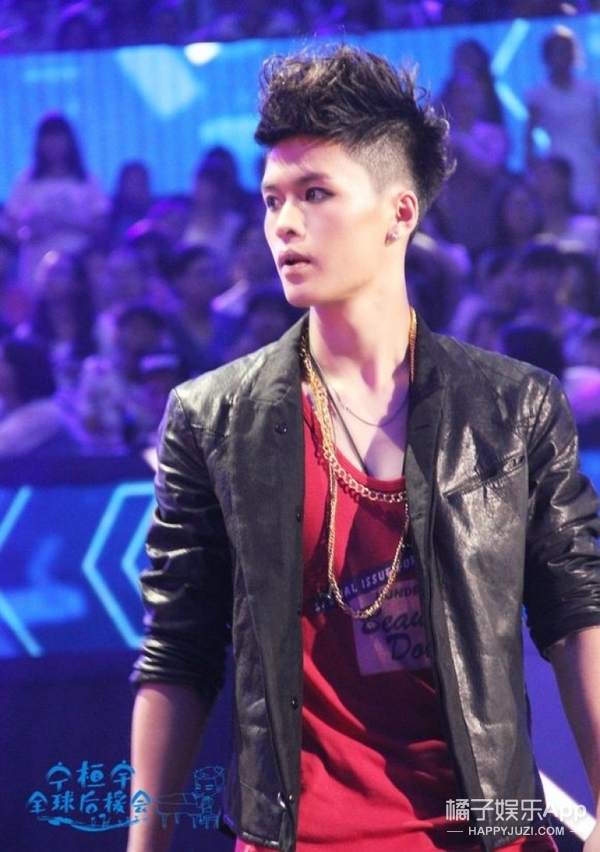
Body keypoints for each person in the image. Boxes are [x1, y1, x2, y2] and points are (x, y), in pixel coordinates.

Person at [128, 45, 600, 852]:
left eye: (316, 193)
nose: (284, 222)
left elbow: (577, 611)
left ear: (399, 212)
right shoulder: (212, 418)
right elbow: (178, 648)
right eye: (272, 199)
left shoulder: (514, 407)